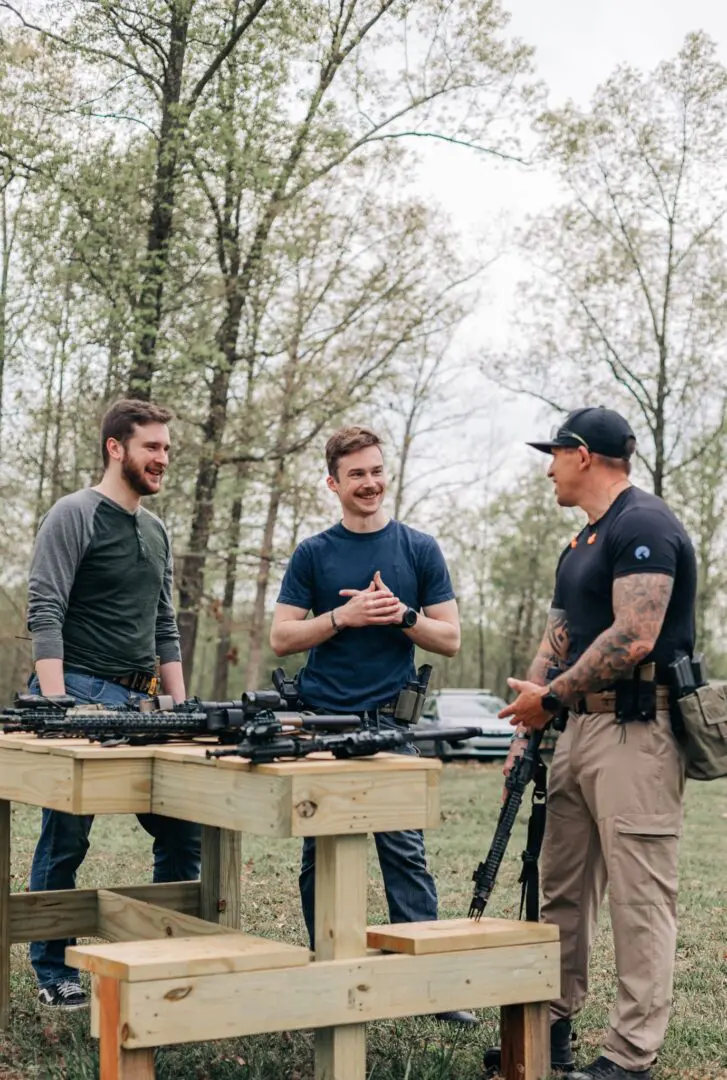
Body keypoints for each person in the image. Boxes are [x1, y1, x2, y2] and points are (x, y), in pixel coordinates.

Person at [491, 407, 695, 1079]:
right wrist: (529, 728)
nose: (547, 467)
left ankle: (628, 1057)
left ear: (582, 454)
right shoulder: (580, 541)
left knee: (638, 897)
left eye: (553, 453)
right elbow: (559, 637)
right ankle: (549, 1028)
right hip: (575, 732)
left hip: (636, 729)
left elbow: (634, 635)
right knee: (559, 890)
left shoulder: (643, 525)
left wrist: (548, 698)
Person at [270, 424, 477, 1027]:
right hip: (322, 722)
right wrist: (344, 615)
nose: (370, 482)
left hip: (394, 723)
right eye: (356, 473)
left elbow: (451, 638)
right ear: (333, 483)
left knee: (405, 850)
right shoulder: (313, 553)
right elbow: (283, 637)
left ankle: (433, 989)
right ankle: (325, 970)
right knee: (320, 851)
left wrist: (400, 614)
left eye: (377, 470)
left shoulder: (419, 549)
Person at [26, 398, 201, 1010]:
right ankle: (53, 970)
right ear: (115, 448)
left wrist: (182, 708)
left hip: (145, 706)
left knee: (183, 829)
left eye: (167, 449)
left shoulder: (156, 530)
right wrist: (55, 706)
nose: (163, 458)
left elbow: (165, 627)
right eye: (152, 447)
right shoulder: (73, 515)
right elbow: (44, 608)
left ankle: (165, 953)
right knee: (67, 838)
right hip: (77, 694)